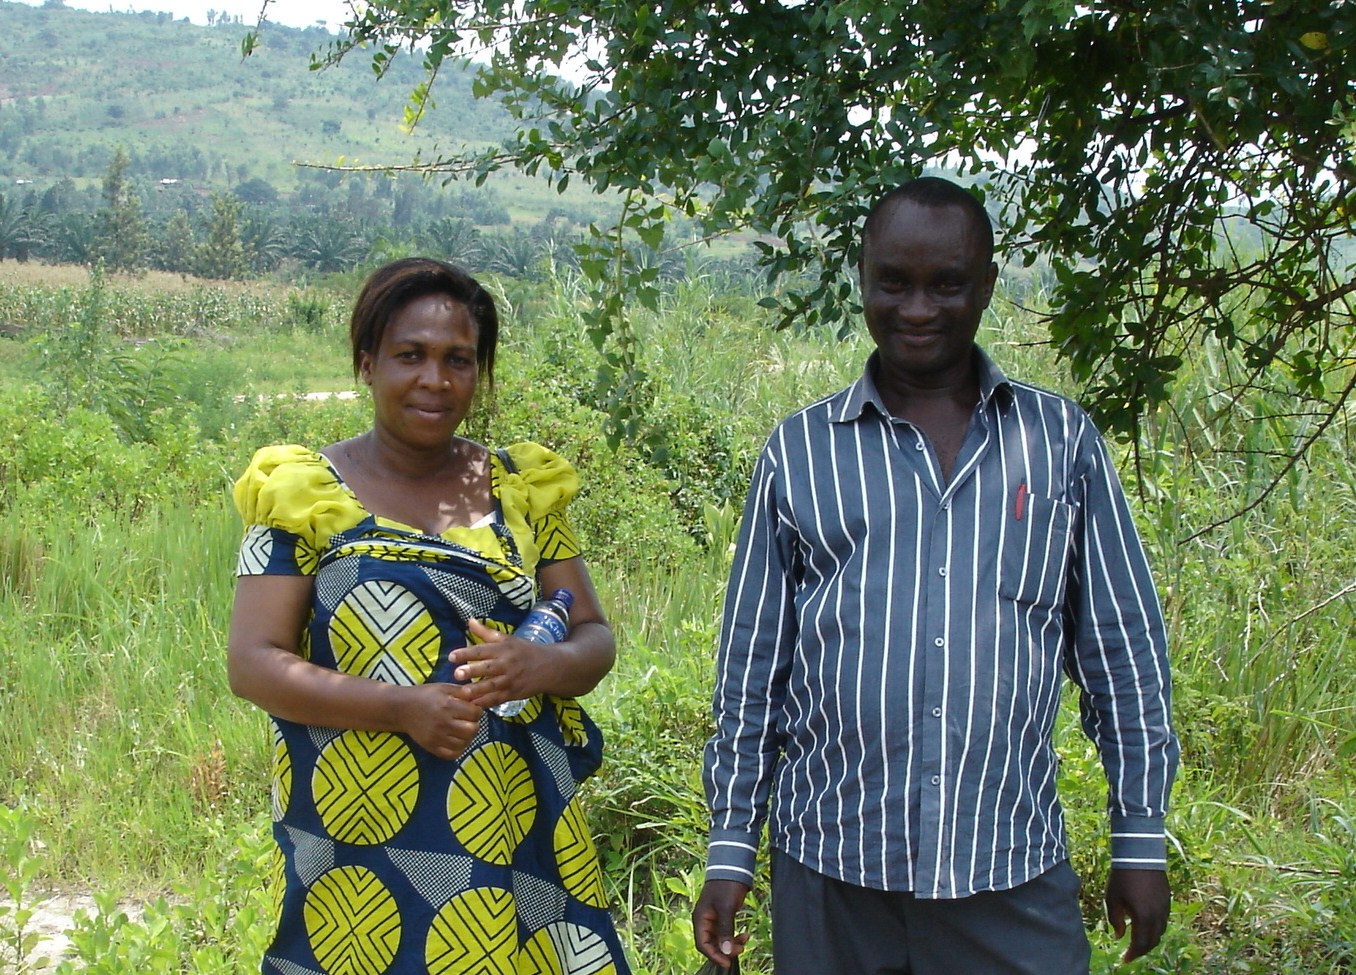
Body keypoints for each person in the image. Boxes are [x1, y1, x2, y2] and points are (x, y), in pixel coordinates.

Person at [692, 177, 1180, 974]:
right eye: (895, 282)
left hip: (1008, 865)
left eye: (947, 284)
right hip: (833, 873)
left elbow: (1122, 654)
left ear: (986, 285)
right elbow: (751, 672)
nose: (917, 308)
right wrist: (730, 848)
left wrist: (1139, 838)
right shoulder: (801, 452)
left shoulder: (1059, 442)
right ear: (863, 280)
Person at [228, 257, 632, 975]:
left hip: (514, 830)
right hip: (360, 833)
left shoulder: (523, 487)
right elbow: (253, 661)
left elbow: (594, 636)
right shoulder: (298, 490)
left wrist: (546, 663)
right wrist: (400, 708)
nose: (435, 381)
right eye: (409, 355)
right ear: (366, 362)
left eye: (458, 360)